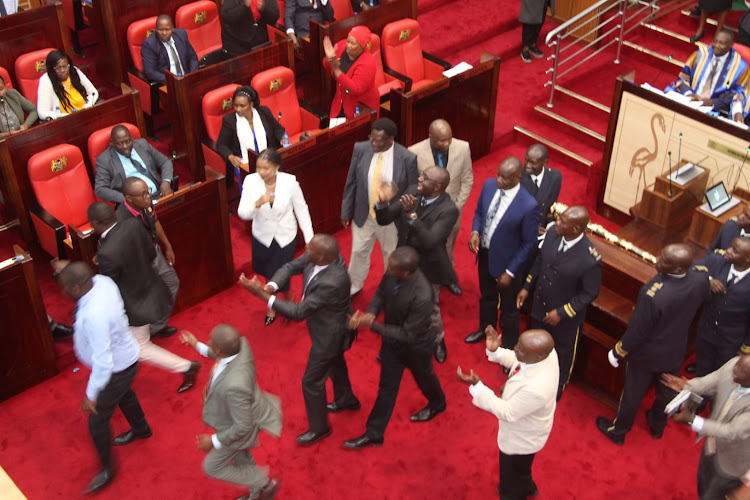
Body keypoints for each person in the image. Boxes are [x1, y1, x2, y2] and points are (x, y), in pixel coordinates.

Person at [238, 234, 359, 446]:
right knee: (336, 364)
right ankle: (346, 398)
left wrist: (262, 296)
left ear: (321, 257)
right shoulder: (322, 255)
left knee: (311, 382)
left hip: (329, 335)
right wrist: (271, 287)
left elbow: (298, 312)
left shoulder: (333, 280)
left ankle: (320, 428)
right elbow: (290, 267)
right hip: (329, 327)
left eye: (310, 249)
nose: (305, 249)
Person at [596, 244, 709, 445]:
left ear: (677, 269)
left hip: (645, 356)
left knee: (632, 395)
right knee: (667, 391)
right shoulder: (700, 277)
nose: (658, 260)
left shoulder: (654, 294)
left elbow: (638, 330)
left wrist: (618, 351)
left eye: (664, 260)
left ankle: (618, 431)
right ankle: (657, 426)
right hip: (674, 350)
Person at [56, 262, 151, 494]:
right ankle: (141, 428)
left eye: (65, 287)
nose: (63, 292)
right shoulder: (102, 282)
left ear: (77, 288)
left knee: (97, 421)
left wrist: (91, 395)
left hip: (116, 367)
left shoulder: (94, 315)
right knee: (124, 394)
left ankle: (108, 469)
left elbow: (104, 360)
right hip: (124, 357)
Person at [87, 202, 199, 394]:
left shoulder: (106, 253)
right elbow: (149, 253)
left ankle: (187, 367)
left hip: (135, 306)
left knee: (140, 347)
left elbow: (110, 288)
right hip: (153, 289)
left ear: (96, 223)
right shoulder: (132, 225)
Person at [343, 247, 447, 449]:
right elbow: (381, 293)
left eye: (391, 268)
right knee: (386, 389)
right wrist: (372, 313)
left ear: (406, 272)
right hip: (392, 345)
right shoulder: (394, 270)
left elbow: (408, 334)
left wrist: (371, 325)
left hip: (416, 347)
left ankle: (438, 403)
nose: (387, 269)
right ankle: (374, 433)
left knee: (425, 378)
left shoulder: (423, 295)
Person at [181, 325, 282, 500]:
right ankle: (258, 494)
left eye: (211, 340)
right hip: (237, 413)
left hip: (238, 426)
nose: (209, 341)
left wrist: (213, 441)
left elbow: (242, 426)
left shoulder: (234, 386)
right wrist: (197, 345)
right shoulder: (241, 344)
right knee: (240, 458)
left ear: (219, 349)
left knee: (211, 466)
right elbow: (222, 354)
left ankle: (264, 484)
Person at [457, 327, 558, 500]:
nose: (515, 349)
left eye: (520, 348)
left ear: (539, 356)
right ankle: (527, 486)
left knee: (510, 484)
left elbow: (508, 411)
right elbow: (520, 362)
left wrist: (478, 386)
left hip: (521, 439)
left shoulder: (537, 388)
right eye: (518, 344)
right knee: (522, 468)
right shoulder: (545, 354)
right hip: (529, 431)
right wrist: (496, 351)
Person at [516, 206, 602, 400]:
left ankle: (557, 385)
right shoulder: (552, 234)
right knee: (535, 342)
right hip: (540, 305)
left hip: (565, 320)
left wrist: (562, 312)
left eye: (563, 222)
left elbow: (590, 293)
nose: (557, 223)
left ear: (576, 229)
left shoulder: (590, 259)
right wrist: (526, 287)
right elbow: (540, 261)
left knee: (561, 353)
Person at [374, 166, 458, 364]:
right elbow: (385, 219)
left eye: (425, 177)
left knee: (429, 310)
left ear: (436, 186)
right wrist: (383, 202)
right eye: (421, 174)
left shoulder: (449, 210)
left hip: (428, 267)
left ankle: (438, 340)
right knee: (394, 305)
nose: (419, 179)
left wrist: (412, 215)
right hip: (402, 262)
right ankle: (392, 345)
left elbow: (430, 241)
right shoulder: (413, 191)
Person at [465, 157, 540, 348]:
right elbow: (480, 212)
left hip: (508, 265)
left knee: (509, 310)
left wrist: (510, 272)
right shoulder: (489, 185)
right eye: (498, 175)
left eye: (505, 178)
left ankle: (508, 346)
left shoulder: (529, 205)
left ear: (518, 178)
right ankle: (486, 329)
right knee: (487, 297)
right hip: (485, 255)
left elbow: (529, 243)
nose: (499, 180)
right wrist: (475, 231)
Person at [341, 117, 418, 296]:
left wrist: (397, 201)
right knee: (358, 252)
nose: (373, 143)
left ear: (390, 139)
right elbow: (351, 181)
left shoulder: (407, 157)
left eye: (378, 140)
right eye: (372, 138)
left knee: (390, 256)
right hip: (364, 215)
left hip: (390, 219)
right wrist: (346, 211)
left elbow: (413, 187)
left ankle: (390, 292)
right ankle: (353, 287)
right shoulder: (360, 149)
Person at [236, 148, 314, 325]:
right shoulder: (250, 181)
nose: (261, 172)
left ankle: (286, 300)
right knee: (267, 271)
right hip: (262, 236)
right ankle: (274, 301)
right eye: (258, 168)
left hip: (284, 236)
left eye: (266, 168)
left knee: (282, 273)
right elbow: (242, 213)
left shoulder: (290, 183)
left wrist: (310, 238)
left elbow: (302, 210)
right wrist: (258, 202)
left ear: (277, 167)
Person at [662, 355, 750, 500]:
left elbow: (731, 431)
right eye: (737, 366)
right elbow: (710, 382)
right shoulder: (735, 365)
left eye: (740, 371)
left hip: (732, 459)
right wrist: (687, 386)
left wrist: (692, 420)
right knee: (703, 484)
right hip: (711, 444)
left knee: (711, 495)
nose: (734, 369)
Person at [408, 118, 473, 294]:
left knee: (447, 249)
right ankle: (425, 284)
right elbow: (414, 184)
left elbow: (467, 180)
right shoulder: (414, 152)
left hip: (451, 214)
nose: (447, 143)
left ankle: (448, 278)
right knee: (426, 249)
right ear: (431, 137)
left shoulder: (463, 147)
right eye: (442, 140)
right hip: (426, 214)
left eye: (449, 138)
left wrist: (456, 207)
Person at [116, 177, 180, 337]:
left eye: (148, 192)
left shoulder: (145, 204)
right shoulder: (121, 220)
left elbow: (155, 222)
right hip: (139, 263)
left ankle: (156, 326)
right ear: (129, 199)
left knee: (172, 283)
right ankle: (147, 330)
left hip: (154, 252)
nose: (148, 197)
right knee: (148, 297)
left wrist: (167, 245)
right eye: (143, 195)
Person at [694, 237, 750, 377]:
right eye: (730, 247)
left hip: (730, 340)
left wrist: (745, 348)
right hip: (706, 330)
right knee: (702, 371)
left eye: (735, 251)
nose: (728, 251)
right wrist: (708, 280)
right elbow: (691, 268)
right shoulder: (717, 260)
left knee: (721, 375)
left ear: (748, 258)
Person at [668, 30, 750, 120]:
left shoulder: (740, 67)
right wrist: (689, 94)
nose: (716, 46)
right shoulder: (700, 54)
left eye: (721, 43)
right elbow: (684, 77)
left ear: (730, 45)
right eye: (715, 41)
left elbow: (737, 93)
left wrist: (713, 102)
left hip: (712, 112)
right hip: (688, 100)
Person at [216, 86, 286, 182]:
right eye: (235, 105)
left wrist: (282, 138)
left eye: (242, 106)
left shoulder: (264, 112)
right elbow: (221, 144)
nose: (238, 109)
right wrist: (230, 156)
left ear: (251, 104)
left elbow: (278, 129)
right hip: (244, 161)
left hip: (268, 156)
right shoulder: (229, 120)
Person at [94, 125, 174, 204]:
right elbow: (100, 189)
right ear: (112, 143)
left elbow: (165, 161)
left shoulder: (142, 144)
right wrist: (128, 200)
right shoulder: (104, 160)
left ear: (132, 138)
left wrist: (166, 181)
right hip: (134, 205)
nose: (125, 146)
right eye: (120, 143)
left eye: (128, 141)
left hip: (159, 194)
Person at [322, 26, 380, 120]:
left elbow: (355, 89)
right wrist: (329, 59)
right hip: (340, 102)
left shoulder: (367, 63)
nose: (348, 45)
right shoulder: (341, 47)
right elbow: (327, 66)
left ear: (362, 46)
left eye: (353, 43)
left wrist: (337, 71)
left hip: (361, 108)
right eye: (348, 41)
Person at [37, 49, 98, 120]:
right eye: (58, 68)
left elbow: (93, 93)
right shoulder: (46, 81)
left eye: (65, 66)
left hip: (86, 115)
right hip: (63, 121)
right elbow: (42, 113)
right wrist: (67, 117)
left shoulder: (74, 71)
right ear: (52, 69)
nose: (62, 70)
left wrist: (86, 108)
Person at [141, 14, 199, 85]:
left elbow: (192, 57)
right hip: (167, 83)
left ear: (172, 28)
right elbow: (150, 72)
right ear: (156, 29)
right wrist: (173, 80)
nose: (164, 33)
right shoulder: (149, 44)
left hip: (187, 78)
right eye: (160, 30)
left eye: (167, 29)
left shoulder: (181, 35)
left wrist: (191, 76)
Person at [520, 144, 562, 232]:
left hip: (543, 230)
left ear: (545, 163)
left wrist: (550, 227)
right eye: (526, 160)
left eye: (533, 163)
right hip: (521, 228)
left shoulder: (555, 177)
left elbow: (551, 206)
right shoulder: (518, 176)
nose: (527, 165)